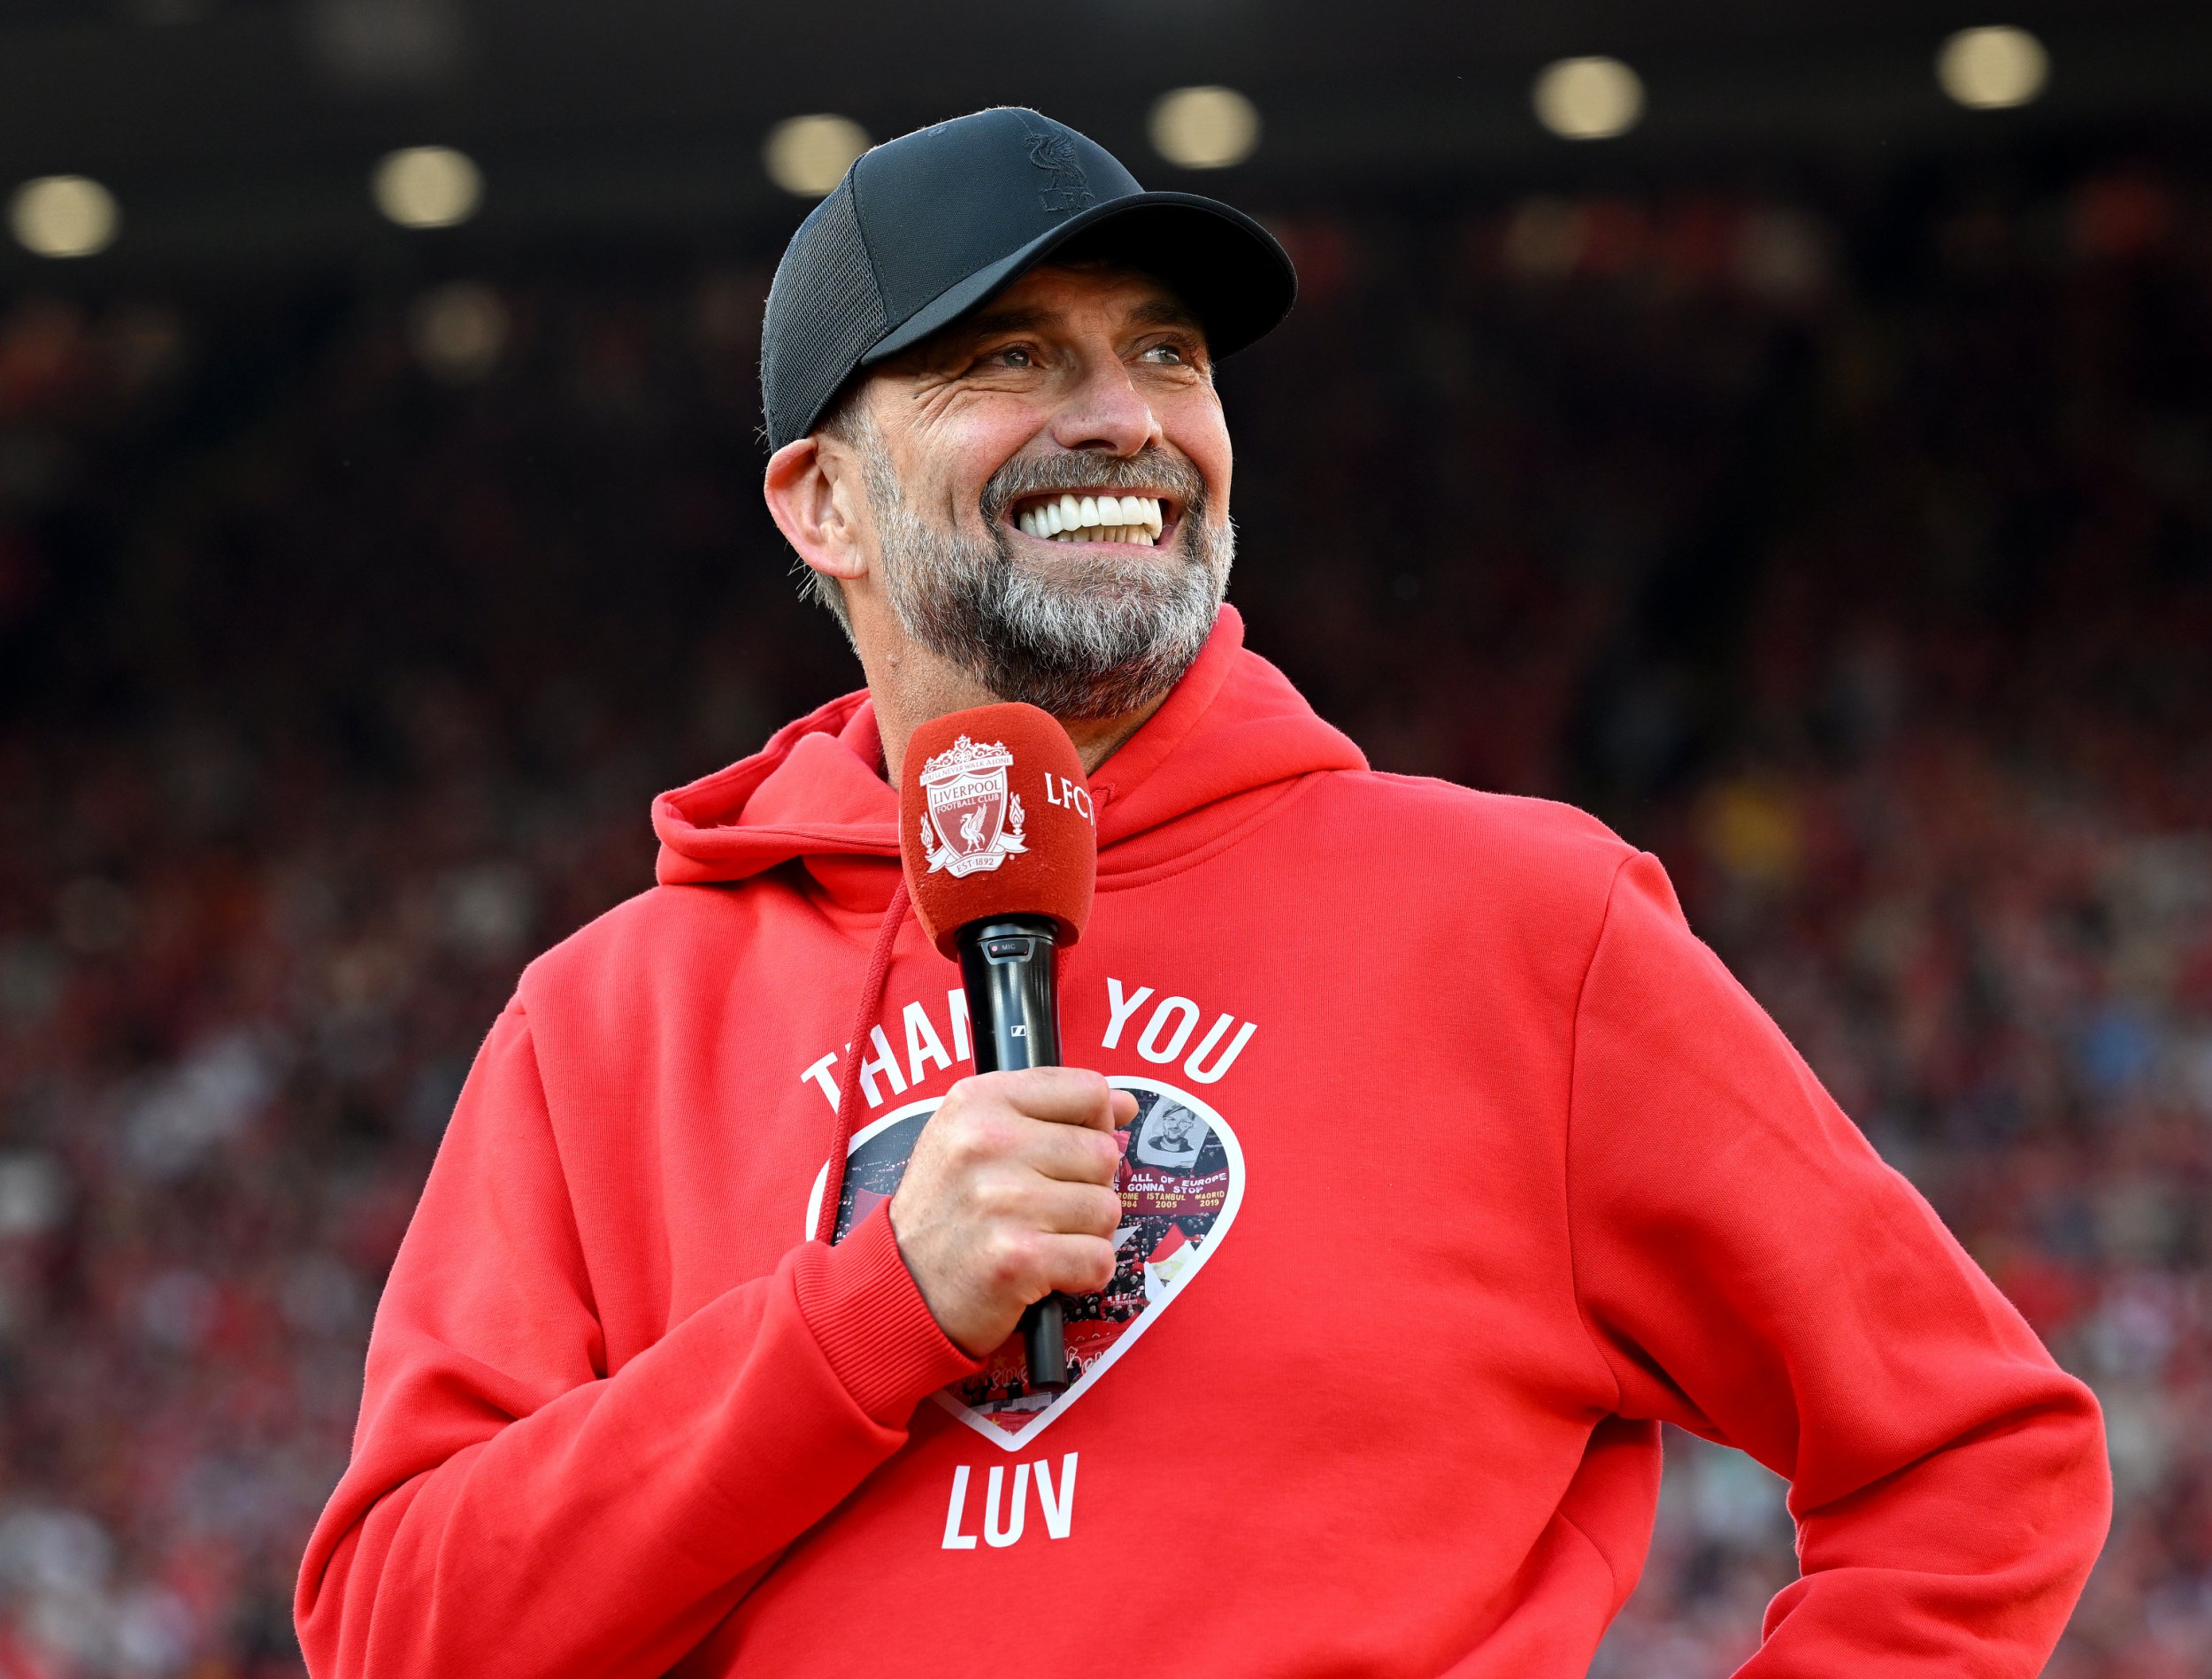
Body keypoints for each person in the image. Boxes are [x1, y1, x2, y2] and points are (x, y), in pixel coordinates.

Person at [295, 108, 2109, 1676]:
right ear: (818, 502)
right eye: (1004, 358)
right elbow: (396, 1628)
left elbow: (1970, 1452)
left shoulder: (1514, 922)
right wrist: (869, 1314)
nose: (1119, 419)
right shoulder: (606, 1019)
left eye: (1163, 354)